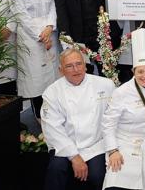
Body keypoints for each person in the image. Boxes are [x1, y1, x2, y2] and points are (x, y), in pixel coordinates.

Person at [101, 28, 145, 190]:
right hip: (125, 144)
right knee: (117, 182)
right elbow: (108, 124)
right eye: (140, 71)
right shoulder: (122, 92)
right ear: (133, 71)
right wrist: (113, 151)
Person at [42, 48, 115, 190]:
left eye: (79, 64)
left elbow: (114, 117)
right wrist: (74, 156)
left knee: (97, 176)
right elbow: (53, 129)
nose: (76, 69)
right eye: (69, 66)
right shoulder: (51, 93)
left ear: (85, 65)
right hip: (64, 143)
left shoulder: (105, 85)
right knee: (56, 170)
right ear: (60, 70)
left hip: (95, 144)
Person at [9, 0, 58, 119]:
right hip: (31, 39)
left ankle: (54, 115)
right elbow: (21, 16)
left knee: (53, 76)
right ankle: (39, 117)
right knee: (36, 79)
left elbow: (52, 5)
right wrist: (41, 35)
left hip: (50, 33)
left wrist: (50, 27)